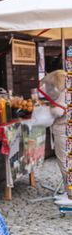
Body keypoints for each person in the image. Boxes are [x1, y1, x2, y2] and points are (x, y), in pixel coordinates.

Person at [45, 70, 72, 204]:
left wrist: (50, 108)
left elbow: (58, 111)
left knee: (65, 163)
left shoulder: (63, 93)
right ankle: (68, 192)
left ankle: (70, 196)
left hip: (63, 131)